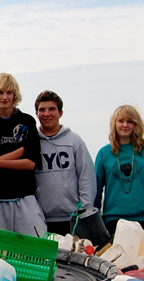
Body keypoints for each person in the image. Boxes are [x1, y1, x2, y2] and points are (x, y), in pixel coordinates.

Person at [0, 73, 45, 238]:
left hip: (25, 197)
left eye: (9, 93)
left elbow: (30, 163)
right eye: (0, 92)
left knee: (35, 246)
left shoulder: (27, 121)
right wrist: (18, 153)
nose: (4, 97)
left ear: (15, 95)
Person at [94, 105, 144, 240]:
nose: (125, 125)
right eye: (121, 121)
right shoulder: (104, 153)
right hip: (113, 220)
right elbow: (95, 189)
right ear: (114, 124)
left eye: (130, 121)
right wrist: (94, 219)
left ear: (136, 125)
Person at [33, 90, 96, 236]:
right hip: (41, 219)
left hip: (73, 218)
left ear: (60, 113)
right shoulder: (32, 142)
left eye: (51, 109)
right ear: (36, 114)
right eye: (42, 110)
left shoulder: (74, 141)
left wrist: (84, 210)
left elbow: (86, 177)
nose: (46, 114)